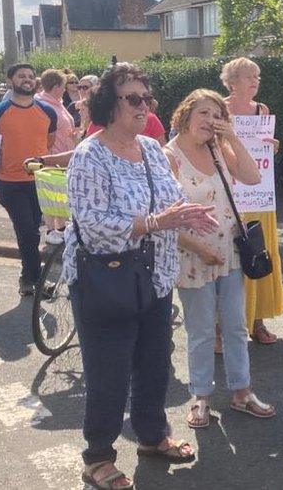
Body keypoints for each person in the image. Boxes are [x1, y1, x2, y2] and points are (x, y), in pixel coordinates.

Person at [65, 63, 218, 488]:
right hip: (105, 280)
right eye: (134, 98)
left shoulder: (152, 149)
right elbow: (94, 227)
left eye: (146, 99)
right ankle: (97, 458)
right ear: (108, 105)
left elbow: (171, 201)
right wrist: (154, 223)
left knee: (154, 364)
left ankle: (152, 437)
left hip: (155, 276)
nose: (143, 105)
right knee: (108, 372)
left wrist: (185, 215)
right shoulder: (89, 155)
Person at [165, 89, 276, 427]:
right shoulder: (168, 156)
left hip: (228, 252)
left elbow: (253, 177)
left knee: (234, 326)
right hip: (193, 254)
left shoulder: (218, 149)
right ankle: (200, 397)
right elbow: (163, 214)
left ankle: (242, 392)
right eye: (203, 114)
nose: (210, 122)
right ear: (185, 115)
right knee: (200, 331)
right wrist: (200, 249)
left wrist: (234, 139)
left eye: (217, 116)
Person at [221, 57, 283, 344]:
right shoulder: (219, 109)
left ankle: (258, 321)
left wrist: (274, 146)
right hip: (232, 194)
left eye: (257, 76)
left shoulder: (263, 110)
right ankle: (227, 325)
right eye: (250, 76)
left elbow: (266, 151)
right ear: (232, 81)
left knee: (261, 252)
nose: (255, 81)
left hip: (259, 195)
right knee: (232, 258)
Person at [0, 64, 57, 296]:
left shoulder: (47, 112)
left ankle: (29, 276)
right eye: (21, 76)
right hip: (9, 183)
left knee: (33, 229)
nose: (27, 80)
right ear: (10, 80)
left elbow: (49, 143)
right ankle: (33, 279)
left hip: (40, 180)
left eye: (31, 77)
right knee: (27, 231)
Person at [34, 69, 80, 154]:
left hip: (66, 156)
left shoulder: (57, 102)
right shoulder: (42, 107)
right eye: (63, 86)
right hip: (54, 159)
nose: (64, 90)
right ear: (56, 87)